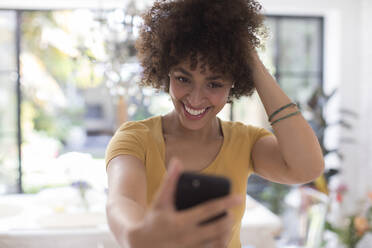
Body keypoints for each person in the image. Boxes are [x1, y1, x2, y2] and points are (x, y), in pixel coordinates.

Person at [105, 0, 325, 247]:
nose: (196, 98)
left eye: (215, 83)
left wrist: (249, 57)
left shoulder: (246, 142)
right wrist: (135, 235)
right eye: (182, 78)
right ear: (166, 71)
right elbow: (122, 201)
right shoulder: (135, 138)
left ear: (234, 82)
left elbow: (307, 168)